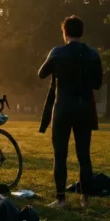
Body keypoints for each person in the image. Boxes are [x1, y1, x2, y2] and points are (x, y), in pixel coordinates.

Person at [38, 15, 102, 209]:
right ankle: (85, 199)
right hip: (84, 108)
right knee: (84, 155)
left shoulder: (58, 52)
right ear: (81, 32)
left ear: (64, 32)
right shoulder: (92, 54)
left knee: (60, 155)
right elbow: (97, 84)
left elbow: (41, 74)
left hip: (63, 107)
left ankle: (61, 199)